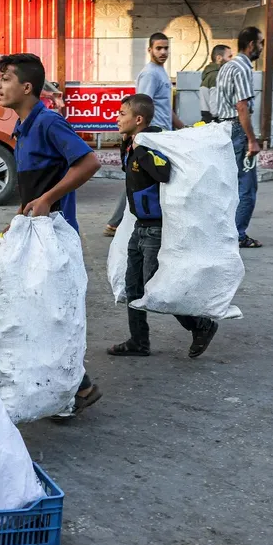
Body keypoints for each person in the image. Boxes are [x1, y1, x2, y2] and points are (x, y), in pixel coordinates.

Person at [0, 53, 103, 418]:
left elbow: (89, 162)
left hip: (55, 237)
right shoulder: (22, 128)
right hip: (33, 233)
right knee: (37, 310)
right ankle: (73, 386)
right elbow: (31, 188)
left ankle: (79, 387)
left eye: (6, 79)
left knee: (53, 312)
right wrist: (18, 217)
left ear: (27, 87)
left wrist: (47, 199)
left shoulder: (48, 123)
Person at [107, 94, 218, 359]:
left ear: (138, 119)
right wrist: (129, 145)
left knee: (156, 289)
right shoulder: (133, 144)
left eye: (122, 114)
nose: (117, 118)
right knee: (133, 287)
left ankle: (201, 325)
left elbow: (163, 173)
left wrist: (141, 148)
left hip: (156, 229)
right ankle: (138, 341)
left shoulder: (153, 144)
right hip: (139, 227)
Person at [105, 32, 184, 237]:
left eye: (166, 48)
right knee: (139, 176)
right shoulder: (150, 74)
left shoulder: (160, 72)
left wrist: (182, 127)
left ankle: (119, 221)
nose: (163, 52)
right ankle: (118, 222)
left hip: (161, 134)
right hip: (151, 136)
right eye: (159, 48)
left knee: (140, 176)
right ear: (149, 50)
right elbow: (142, 107)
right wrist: (138, 135)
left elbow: (165, 107)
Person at [216, 26, 264, 249]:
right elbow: (242, 106)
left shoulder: (226, 67)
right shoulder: (243, 68)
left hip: (223, 127)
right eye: (261, 43)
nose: (262, 48)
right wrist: (252, 140)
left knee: (229, 185)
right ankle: (238, 235)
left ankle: (225, 231)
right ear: (252, 45)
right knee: (247, 186)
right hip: (237, 130)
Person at [199, 44, 233, 123]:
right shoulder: (216, 76)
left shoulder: (209, 74)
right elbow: (214, 103)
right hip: (214, 121)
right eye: (229, 57)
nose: (232, 60)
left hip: (207, 118)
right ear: (219, 58)